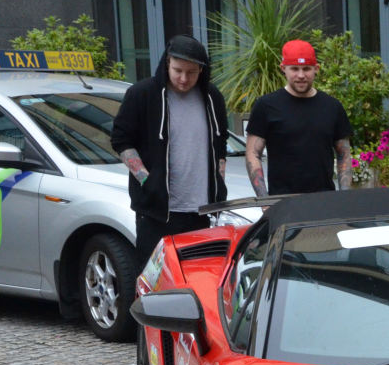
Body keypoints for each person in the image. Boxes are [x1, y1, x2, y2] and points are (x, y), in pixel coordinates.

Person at [111, 34, 229, 269]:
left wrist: (219, 179)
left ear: (202, 71)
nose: (184, 79)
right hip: (158, 212)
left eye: (191, 72)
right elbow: (121, 141)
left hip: (201, 211)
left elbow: (220, 143)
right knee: (155, 283)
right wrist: (148, 181)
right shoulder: (142, 94)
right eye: (178, 70)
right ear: (167, 63)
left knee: (199, 279)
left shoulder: (212, 97)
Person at [244, 39, 353, 197]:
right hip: (282, 202)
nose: (301, 75)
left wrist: (345, 196)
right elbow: (253, 154)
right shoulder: (266, 106)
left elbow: (344, 154)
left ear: (316, 69)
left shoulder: (332, 107)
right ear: (283, 69)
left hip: (324, 200)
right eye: (294, 69)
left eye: (306, 69)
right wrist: (264, 200)